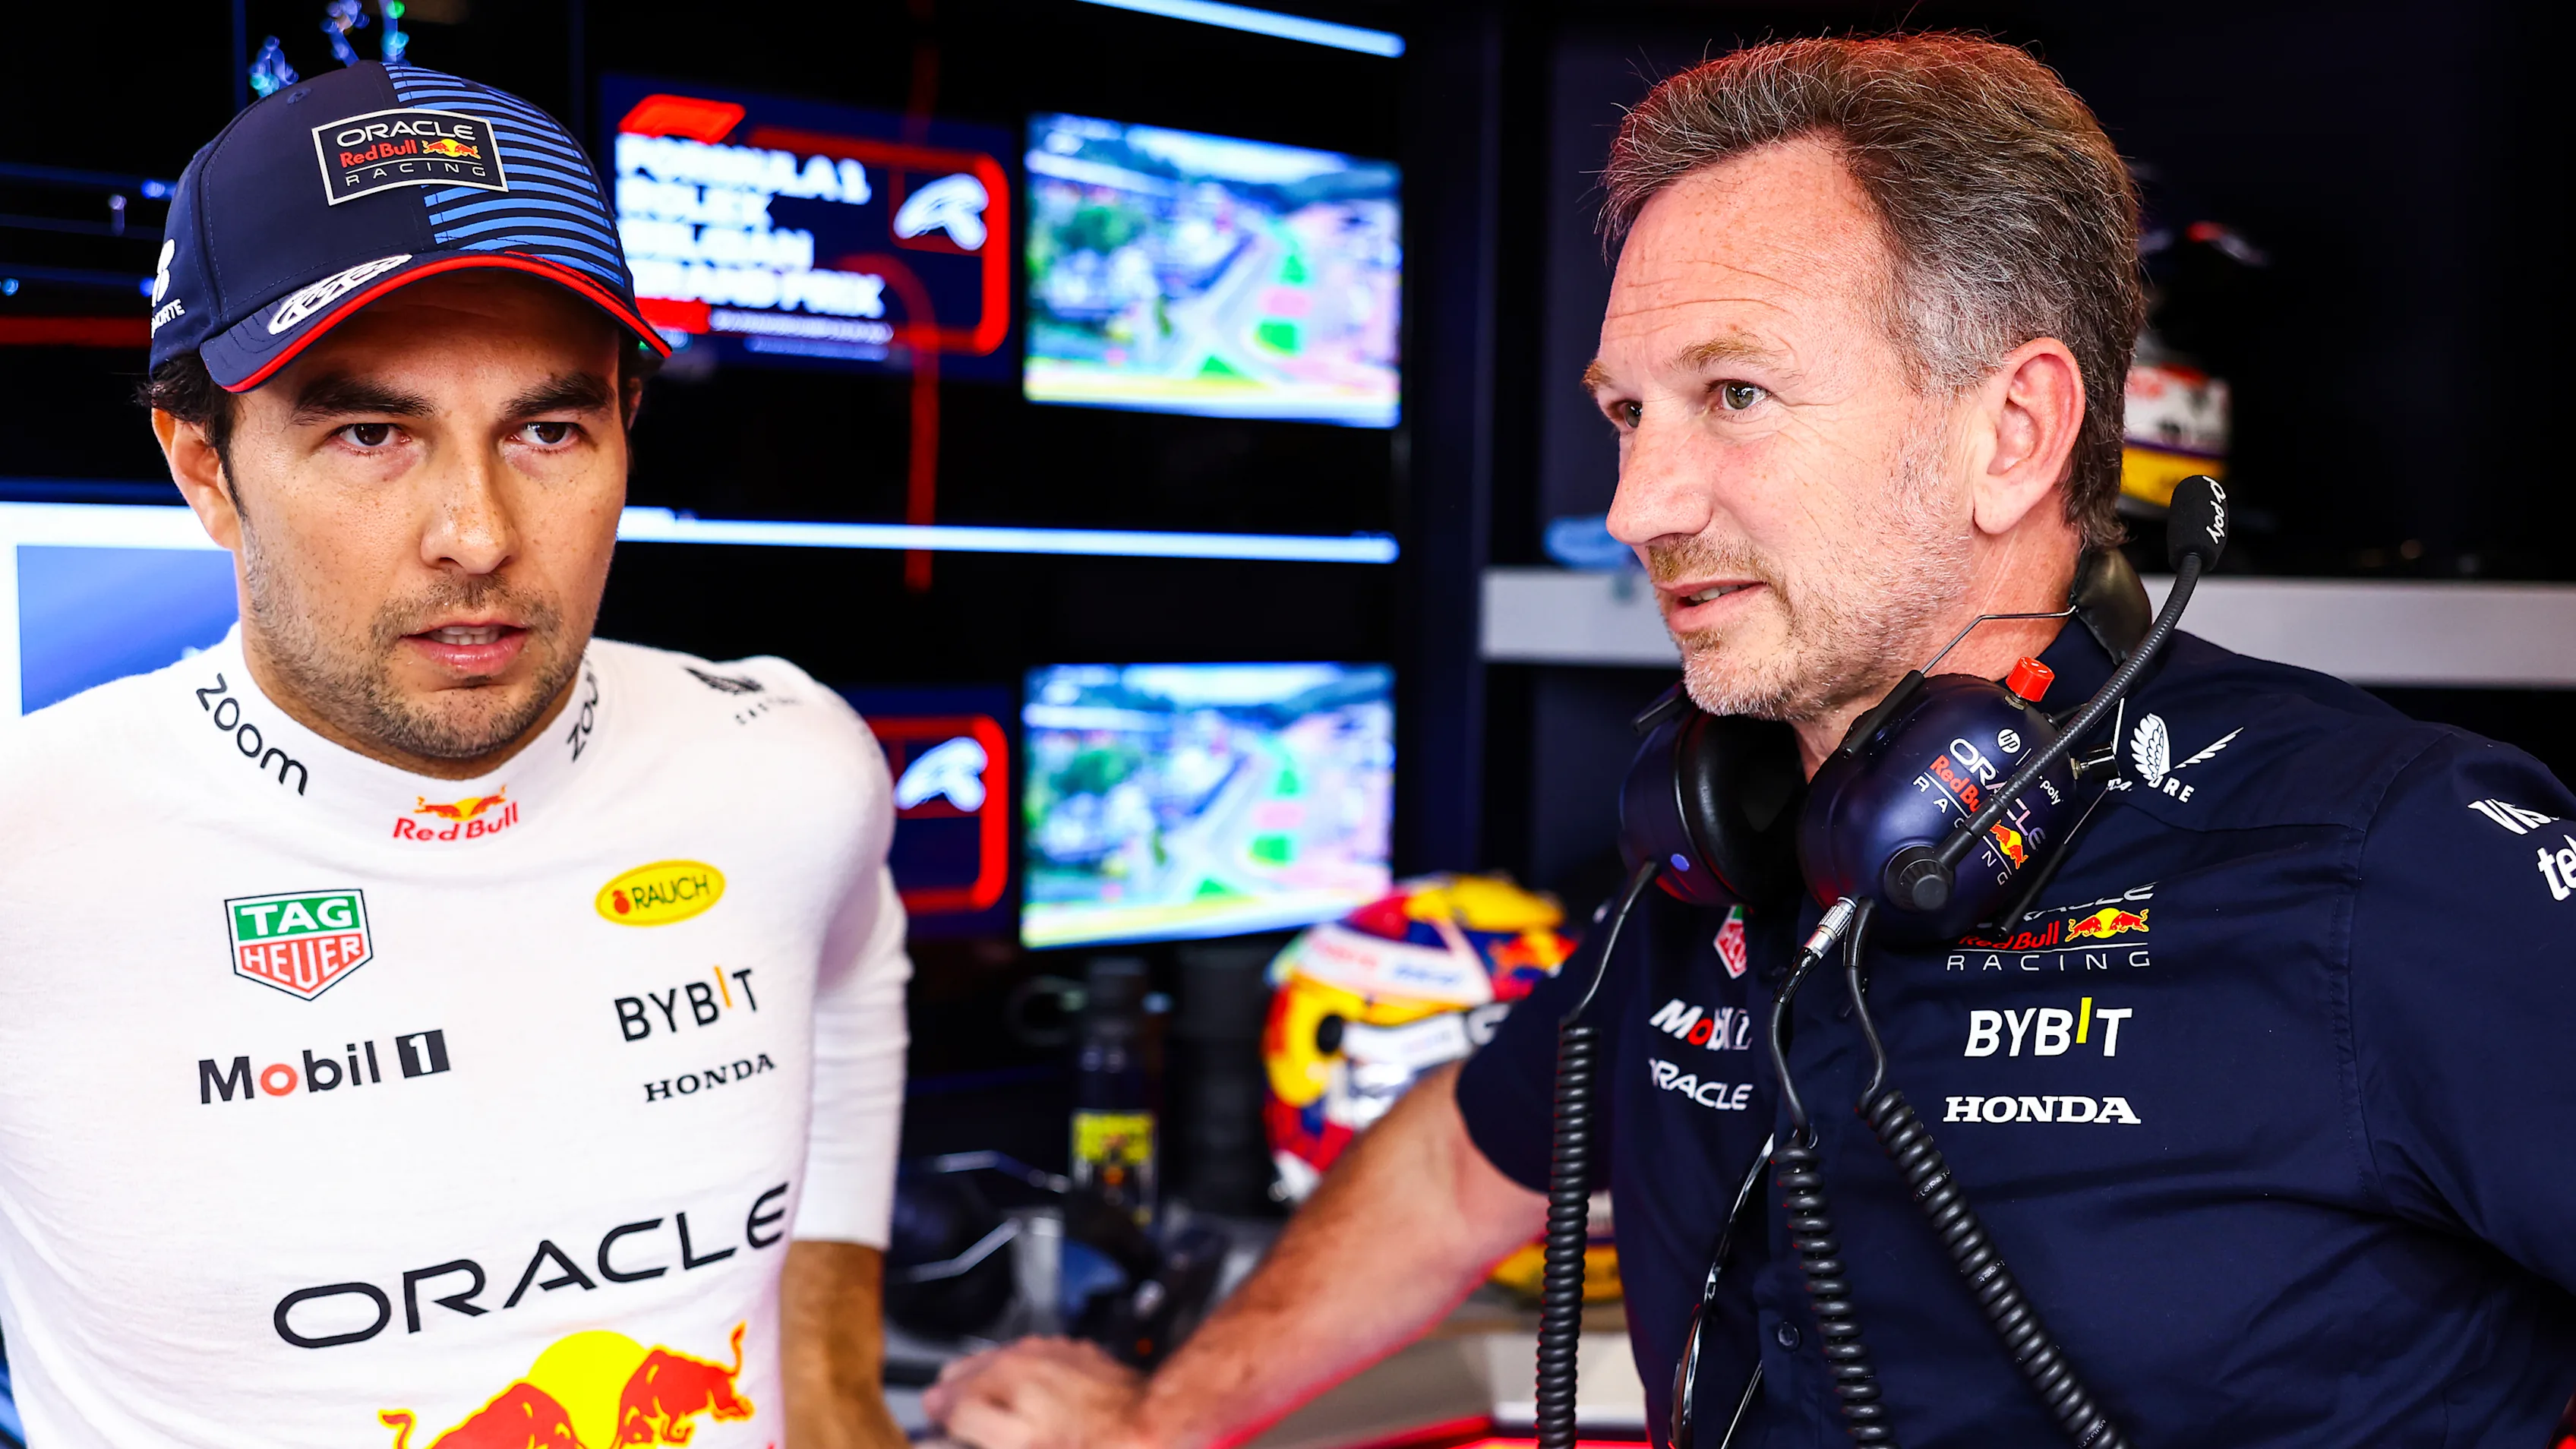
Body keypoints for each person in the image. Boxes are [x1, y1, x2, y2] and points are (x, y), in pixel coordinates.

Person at [926, 33, 2576, 1448]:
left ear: (2011, 432)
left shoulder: (2400, 859)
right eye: (1625, 414)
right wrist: (1162, 1416)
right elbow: (1457, 1170)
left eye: (1734, 396)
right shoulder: (1724, 848)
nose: (1638, 506)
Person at [0, 61, 911, 1447]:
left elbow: (851, 993)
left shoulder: (790, 762)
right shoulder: (31, 850)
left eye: (549, 428)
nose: (478, 535)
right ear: (201, 465)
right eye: (373, 433)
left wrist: (842, 1389)